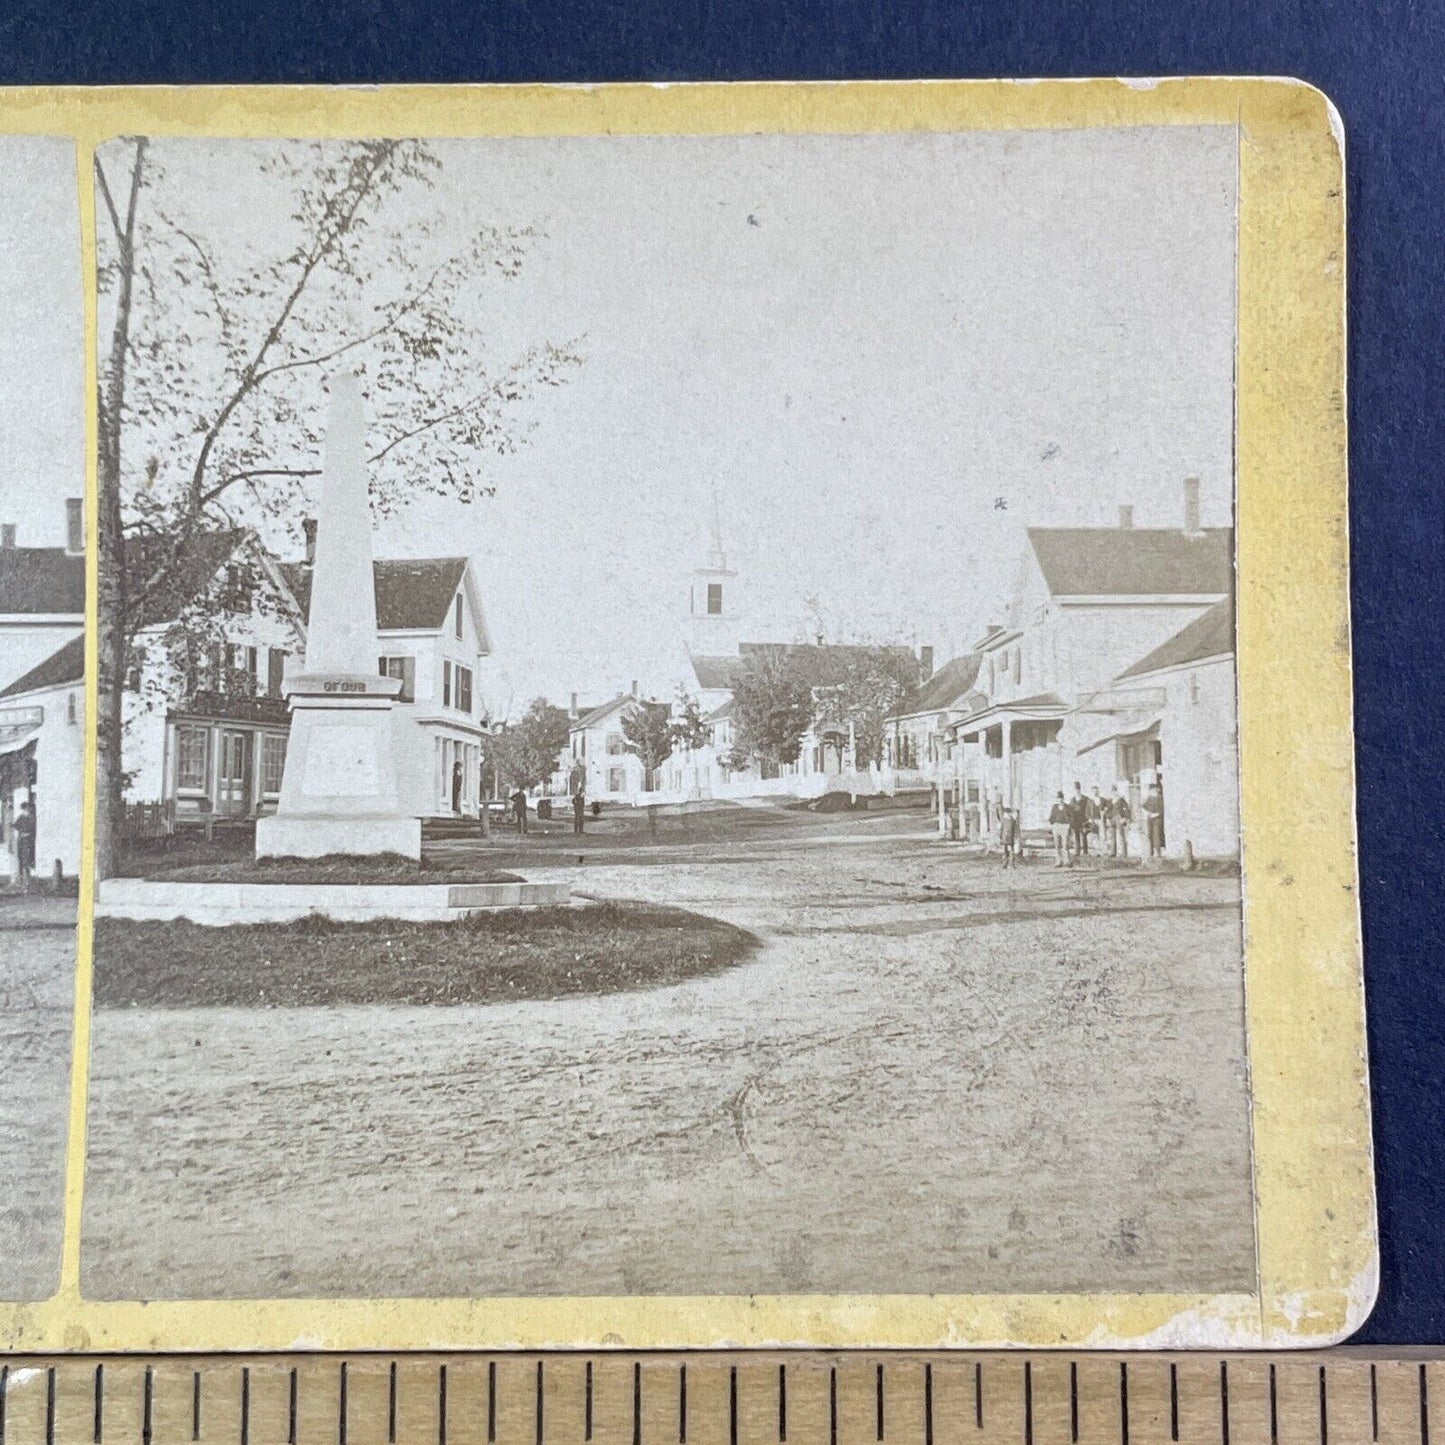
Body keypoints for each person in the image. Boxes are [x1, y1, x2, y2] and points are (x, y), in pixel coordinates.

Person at [13, 798, 36, 894]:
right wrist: (21, 831)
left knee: (27, 861)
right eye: (24, 809)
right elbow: (14, 825)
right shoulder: (21, 817)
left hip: (28, 841)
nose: (25, 810)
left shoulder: (31, 818)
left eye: (26, 808)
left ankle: (27, 883)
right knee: (21, 860)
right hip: (22, 841)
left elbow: (33, 829)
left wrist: (26, 833)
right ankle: (23, 882)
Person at [1068, 780, 1092, 859]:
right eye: (1076, 789)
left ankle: (1085, 851)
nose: (1077, 791)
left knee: (1084, 835)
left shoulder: (1085, 799)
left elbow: (1088, 809)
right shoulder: (1072, 800)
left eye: (1078, 789)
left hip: (1083, 820)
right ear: (1074, 790)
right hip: (1075, 820)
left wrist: (1088, 819)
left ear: (1080, 789)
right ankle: (1077, 851)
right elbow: (1070, 810)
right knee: (1077, 835)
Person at [1049, 791, 1071, 868]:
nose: (1060, 800)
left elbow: (1071, 817)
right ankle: (1058, 862)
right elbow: (1051, 816)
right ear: (1057, 799)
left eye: (1061, 798)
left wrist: (1068, 824)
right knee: (1057, 845)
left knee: (1065, 845)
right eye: (1058, 798)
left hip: (1065, 826)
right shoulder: (1054, 807)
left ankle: (1067, 861)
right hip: (1056, 826)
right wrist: (1053, 823)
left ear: (1063, 798)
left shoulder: (1067, 807)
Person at [1144, 779, 1165, 857]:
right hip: (1149, 819)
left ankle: (1157, 852)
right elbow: (1144, 806)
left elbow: (1162, 810)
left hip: (1157, 819)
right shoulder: (1150, 798)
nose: (1151, 791)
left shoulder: (1159, 798)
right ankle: (1151, 852)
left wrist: (1155, 814)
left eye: (1152, 790)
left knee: (1156, 835)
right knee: (1149, 835)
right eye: (1150, 790)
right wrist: (1147, 812)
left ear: (1155, 790)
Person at [1110, 784, 1132, 858]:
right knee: (1112, 836)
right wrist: (1108, 818)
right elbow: (1108, 811)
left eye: (1115, 791)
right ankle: (1113, 852)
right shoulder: (1110, 800)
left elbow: (1127, 809)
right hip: (1112, 819)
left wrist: (1125, 818)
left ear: (1117, 791)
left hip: (1119, 818)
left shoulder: (1121, 800)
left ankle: (1123, 853)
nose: (1114, 793)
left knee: (1120, 836)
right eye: (1113, 791)